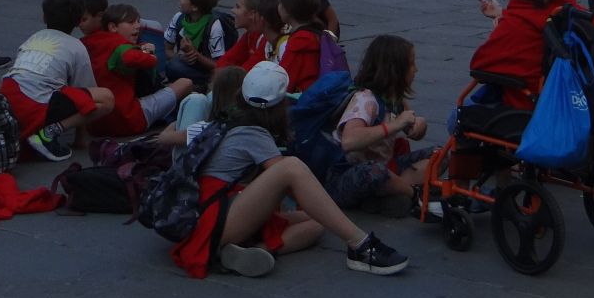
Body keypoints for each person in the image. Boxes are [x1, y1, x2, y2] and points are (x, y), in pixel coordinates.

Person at [162, 61, 410, 279]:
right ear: (280, 103)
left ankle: (252, 251)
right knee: (291, 168)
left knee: (315, 223)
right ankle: (360, 244)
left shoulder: (232, 119)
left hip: (216, 212)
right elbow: (287, 180)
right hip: (213, 219)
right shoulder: (254, 131)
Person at [0, 0, 115, 162]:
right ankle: (47, 135)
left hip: (7, 98)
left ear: (44, 17)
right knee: (106, 98)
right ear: (78, 22)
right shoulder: (75, 46)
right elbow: (87, 95)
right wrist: (81, 138)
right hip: (32, 105)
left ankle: (43, 132)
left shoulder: (34, 37)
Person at [325, 34, 433, 210]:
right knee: (375, 172)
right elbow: (349, 141)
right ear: (395, 69)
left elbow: (413, 131)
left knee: (439, 155)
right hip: (349, 176)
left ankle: (391, 192)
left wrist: (419, 125)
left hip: (387, 166)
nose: (416, 69)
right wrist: (395, 125)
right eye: (412, 63)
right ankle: (415, 196)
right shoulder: (365, 100)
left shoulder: (395, 99)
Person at [470, 0, 576, 110]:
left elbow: (480, 65)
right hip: (574, 103)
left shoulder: (516, 26)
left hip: (529, 106)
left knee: (456, 117)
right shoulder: (575, 13)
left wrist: (501, 27)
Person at [86, 2, 193, 137]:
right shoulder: (122, 47)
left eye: (137, 21)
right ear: (113, 26)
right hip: (129, 120)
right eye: (130, 22)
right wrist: (149, 54)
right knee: (185, 83)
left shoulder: (90, 41)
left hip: (95, 123)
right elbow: (136, 58)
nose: (137, 26)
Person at [162, 0, 233, 87]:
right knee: (170, 65)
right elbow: (167, 49)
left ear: (195, 7)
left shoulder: (214, 25)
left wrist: (196, 55)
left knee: (174, 67)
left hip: (207, 71)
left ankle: (203, 87)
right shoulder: (178, 18)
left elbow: (218, 65)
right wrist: (181, 57)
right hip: (186, 65)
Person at [273, 0, 328, 92]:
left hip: (303, 100)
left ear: (287, 9)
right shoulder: (317, 32)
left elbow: (283, 80)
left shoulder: (300, 40)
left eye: (280, 3)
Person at [216, 0, 277, 71]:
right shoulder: (250, 34)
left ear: (252, 14)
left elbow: (246, 74)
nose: (232, 10)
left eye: (238, 7)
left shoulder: (266, 40)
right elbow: (225, 61)